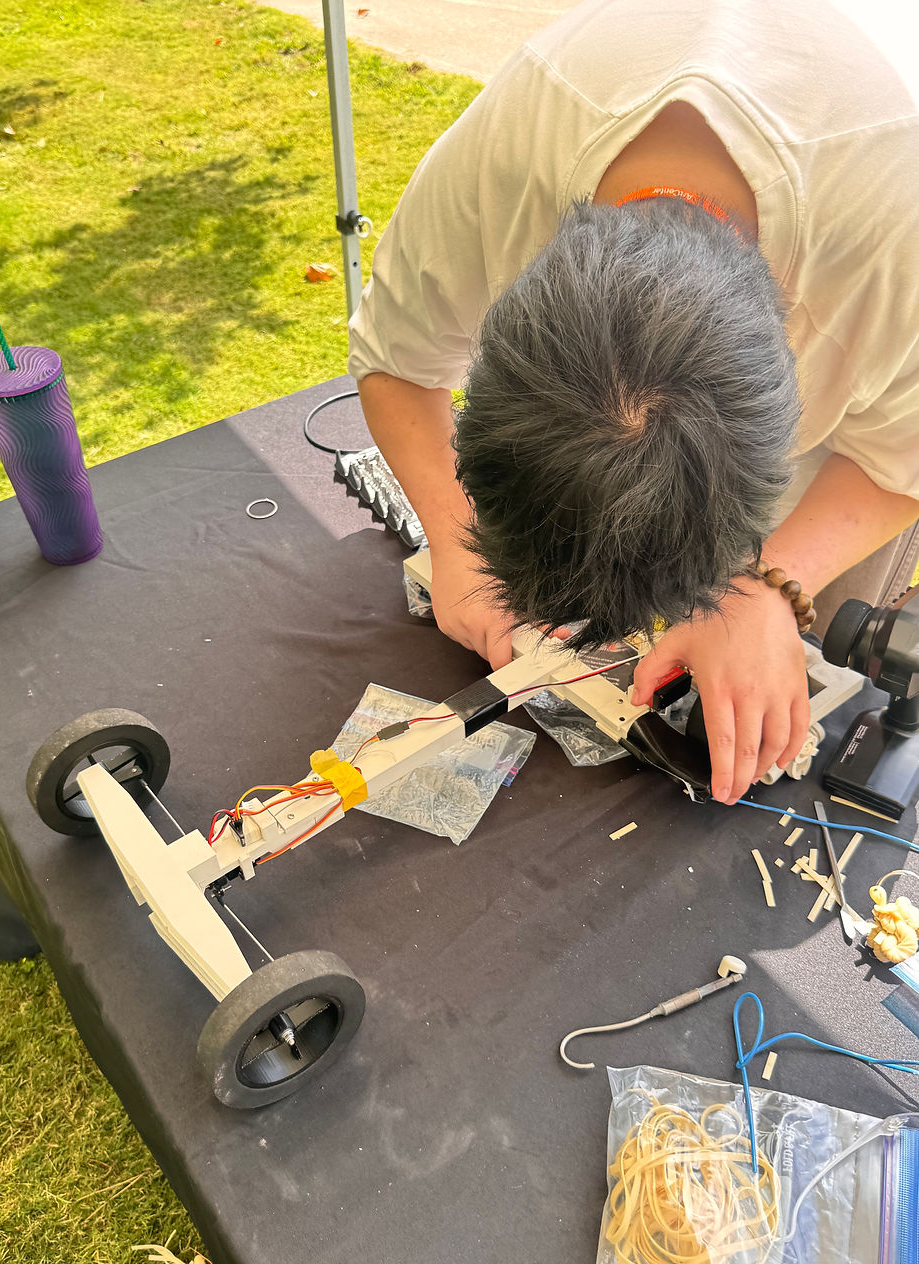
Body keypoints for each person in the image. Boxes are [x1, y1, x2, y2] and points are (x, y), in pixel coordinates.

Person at [348, 0, 919, 806]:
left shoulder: (898, 243)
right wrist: (452, 536)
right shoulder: (509, 155)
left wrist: (771, 584)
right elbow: (396, 360)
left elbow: (903, 455)